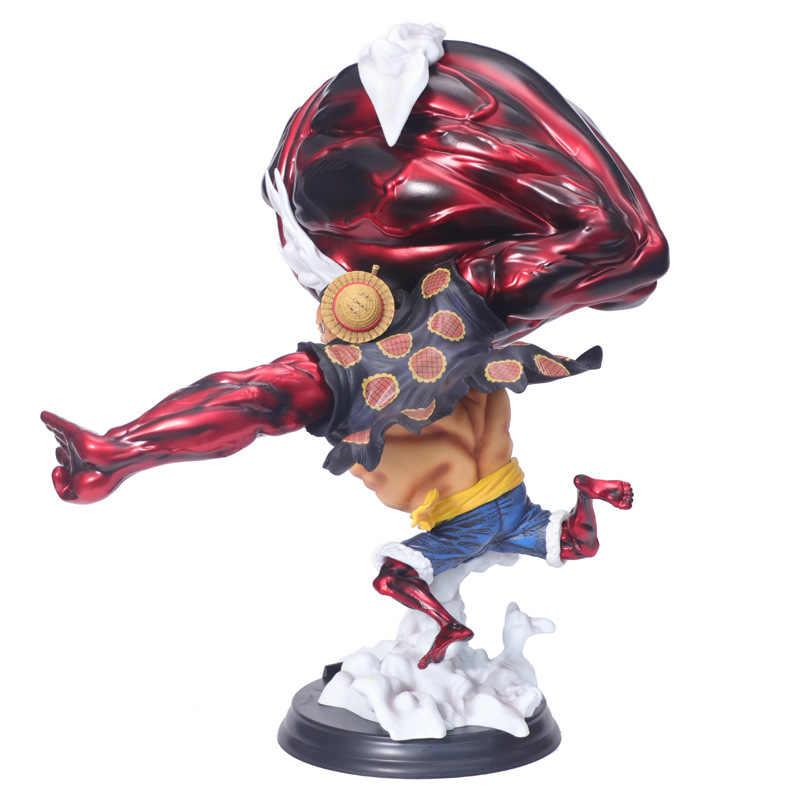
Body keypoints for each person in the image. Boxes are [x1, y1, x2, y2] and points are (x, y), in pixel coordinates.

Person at [42, 27, 665, 670]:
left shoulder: (413, 344)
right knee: (286, 401)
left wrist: (124, 451)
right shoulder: (448, 322)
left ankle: (116, 453)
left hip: (449, 401)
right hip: (461, 407)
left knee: (286, 403)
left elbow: (256, 399)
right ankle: (115, 453)